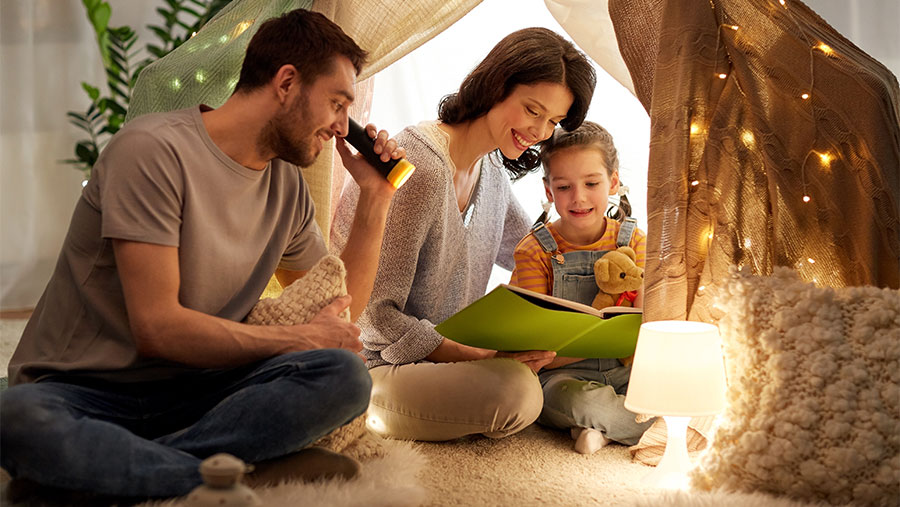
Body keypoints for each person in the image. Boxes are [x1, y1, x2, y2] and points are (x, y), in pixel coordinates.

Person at [0, 9, 405, 502]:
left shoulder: (288, 190)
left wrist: (375, 201)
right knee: (16, 420)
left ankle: (118, 471)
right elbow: (158, 328)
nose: (343, 127)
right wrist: (293, 339)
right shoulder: (151, 151)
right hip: (81, 390)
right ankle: (231, 476)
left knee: (342, 377)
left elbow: (343, 318)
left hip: (199, 392)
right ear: (286, 82)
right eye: (337, 103)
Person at [331, 27, 596, 441]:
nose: (541, 132)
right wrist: (476, 355)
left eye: (554, 121)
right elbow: (373, 317)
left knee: (533, 378)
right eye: (532, 110)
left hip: (440, 361)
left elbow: (535, 250)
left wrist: (613, 251)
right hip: (373, 366)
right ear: (496, 86)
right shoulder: (420, 165)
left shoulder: (488, 169)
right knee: (517, 394)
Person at [508, 121, 654, 454]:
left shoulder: (635, 241)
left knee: (673, 386)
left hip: (622, 369)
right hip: (563, 377)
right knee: (577, 401)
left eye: (591, 183)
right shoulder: (534, 250)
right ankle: (640, 427)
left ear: (613, 182)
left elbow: (645, 322)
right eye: (563, 188)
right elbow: (536, 346)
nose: (579, 198)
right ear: (548, 191)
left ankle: (599, 431)